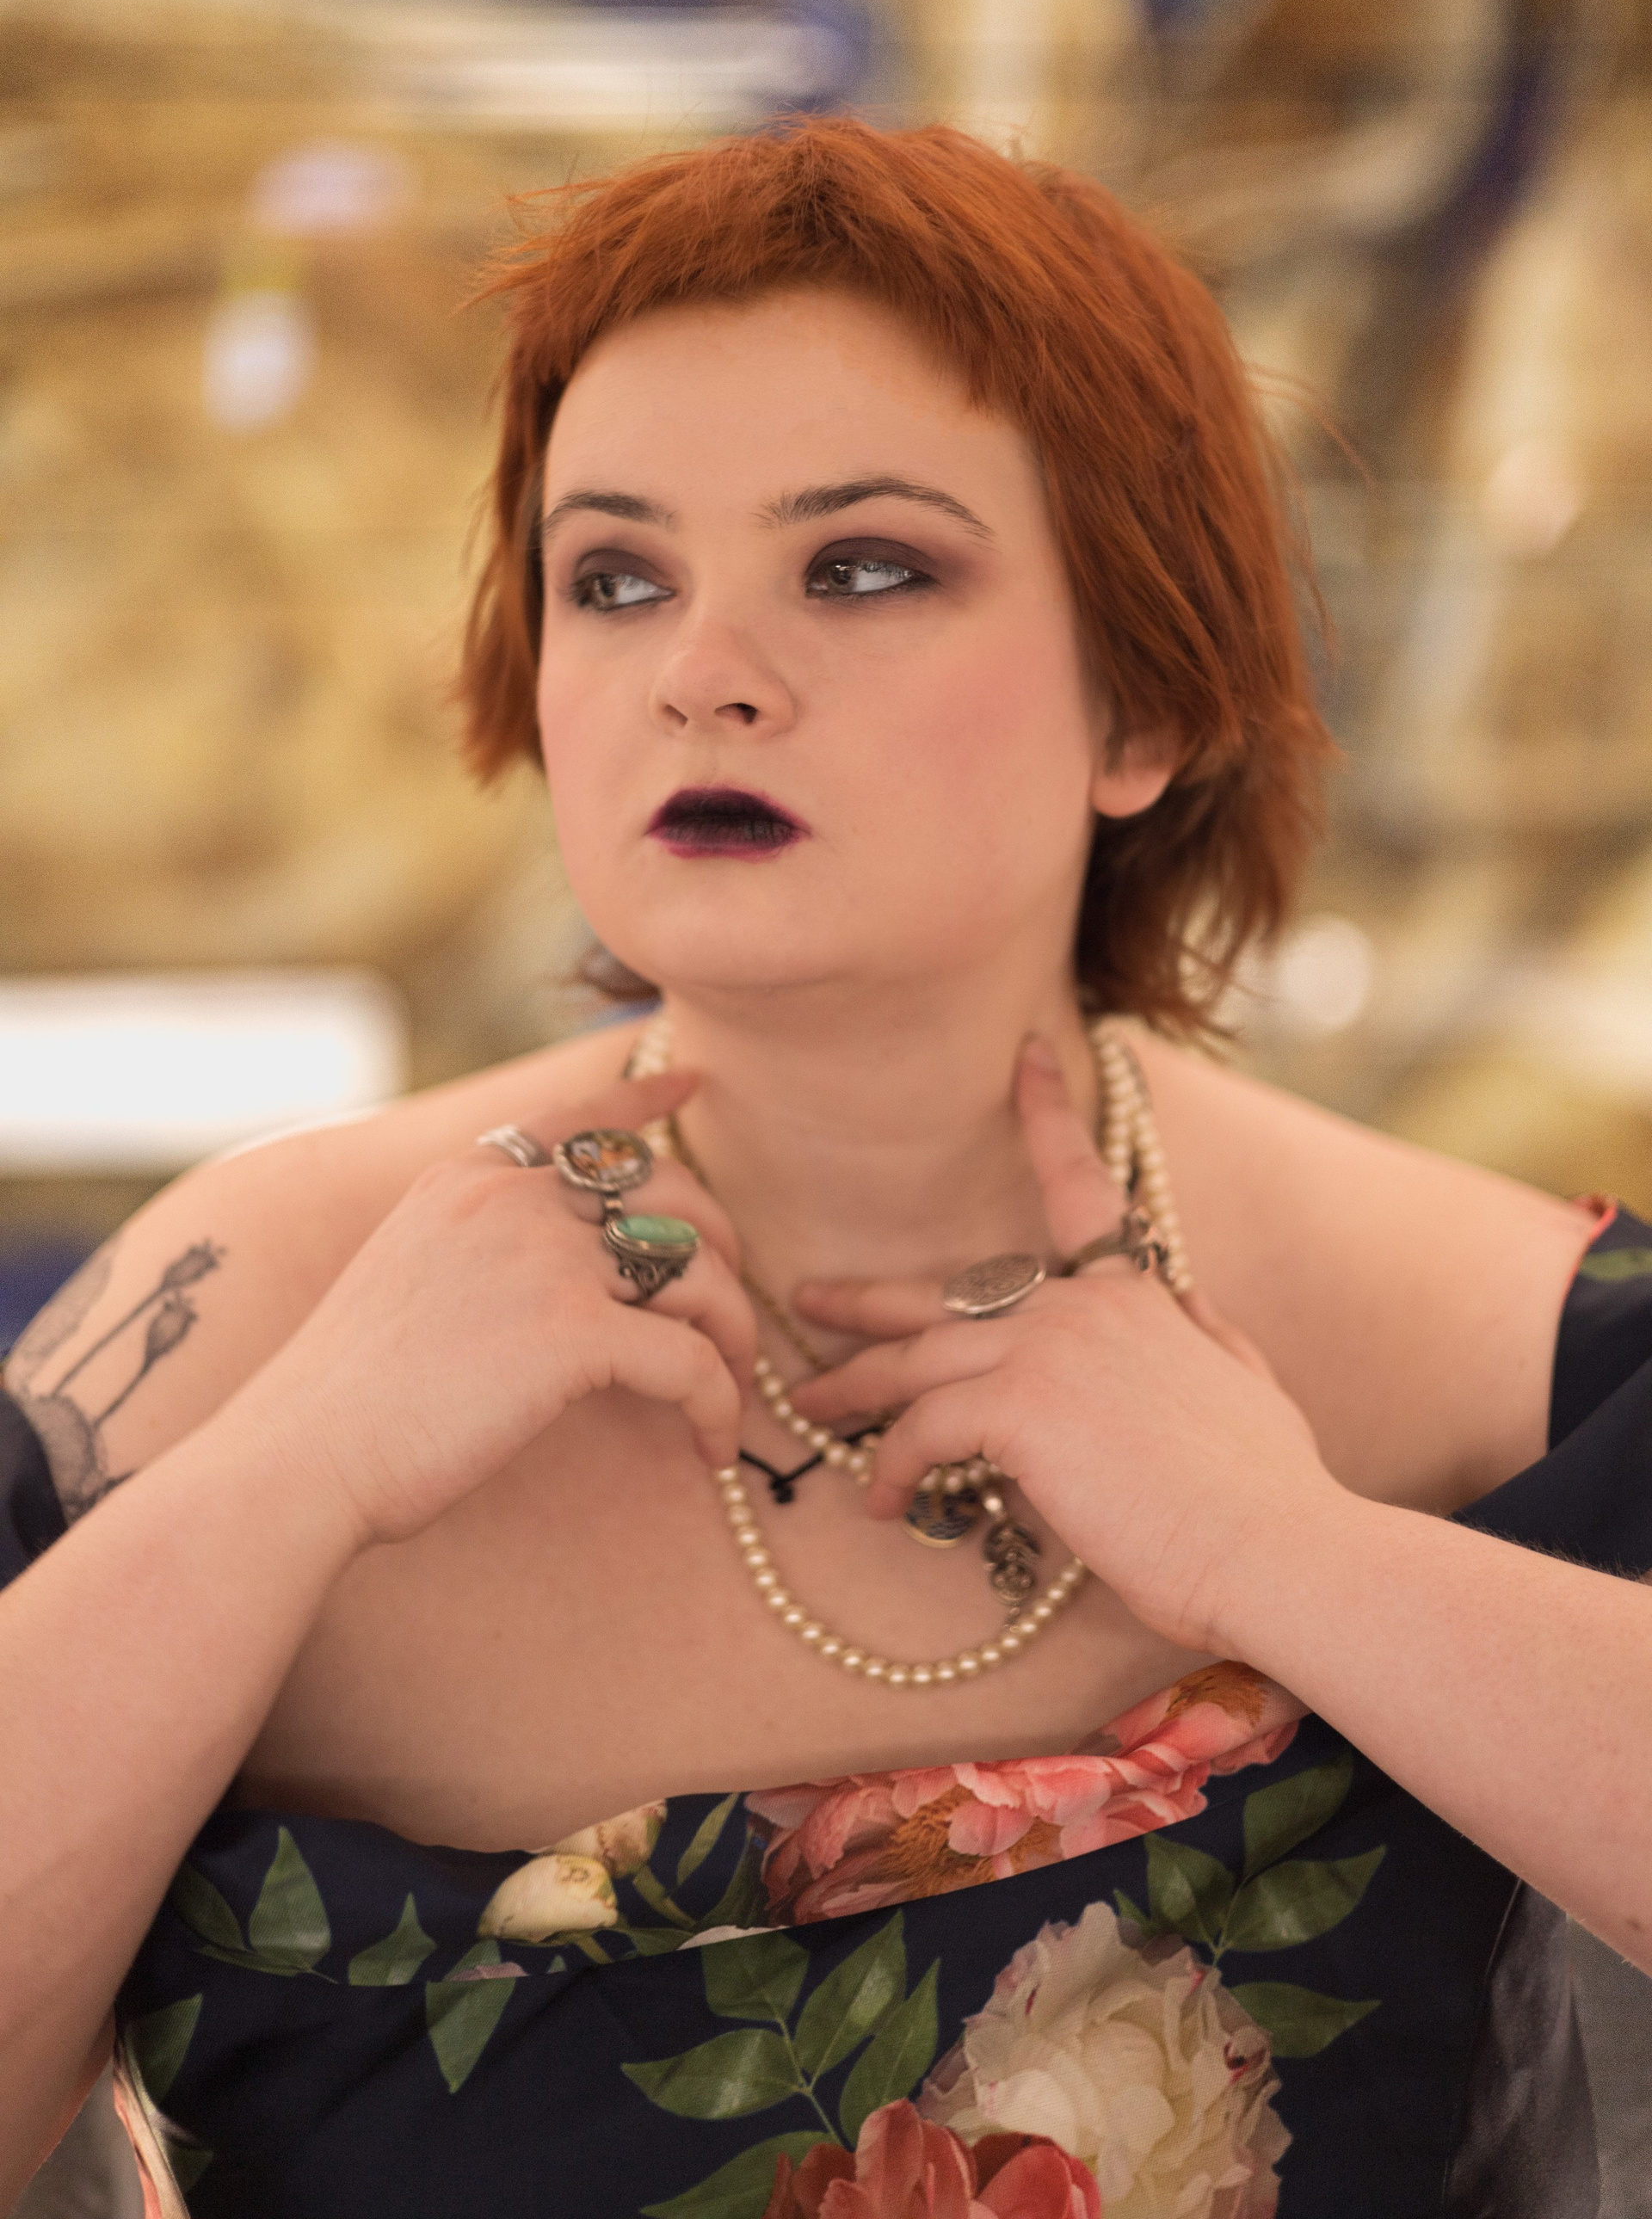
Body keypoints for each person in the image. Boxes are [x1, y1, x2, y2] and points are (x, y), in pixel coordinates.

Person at [3, 118, 1649, 2219]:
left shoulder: (1508, 1343)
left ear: (1140, 702)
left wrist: (1288, 1554)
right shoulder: (238, 1316)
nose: (701, 673)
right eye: (616, 578)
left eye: (863, 566)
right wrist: (296, 1471)